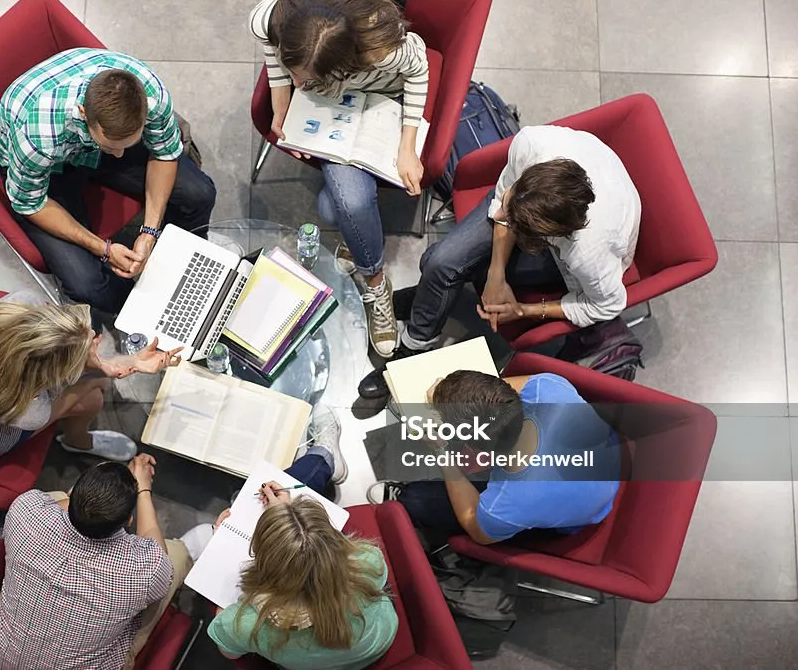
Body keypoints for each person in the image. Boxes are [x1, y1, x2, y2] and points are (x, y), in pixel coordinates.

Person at [359, 124, 642, 399]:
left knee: (448, 270)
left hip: (574, 246)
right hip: (545, 207)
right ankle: (425, 320)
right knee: (439, 262)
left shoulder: (588, 253)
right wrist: (497, 275)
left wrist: (523, 310)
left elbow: (607, 305)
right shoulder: (532, 145)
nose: (501, 218)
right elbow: (501, 205)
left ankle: (416, 339)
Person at [250, 0, 430, 357]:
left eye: (306, 77)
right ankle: (364, 246)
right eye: (295, 73)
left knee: (343, 206)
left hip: (379, 98)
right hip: (330, 108)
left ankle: (376, 283)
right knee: (344, 207)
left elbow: (419, 70)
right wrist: (281, 98)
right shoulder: (272, 18)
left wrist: (407, 146)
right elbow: (270, 43)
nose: (298, 82)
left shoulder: (384, 49)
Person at [0, 47, 217, 329]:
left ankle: (181, 262)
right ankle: (144, 309)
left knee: (200, 193)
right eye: (111, 147)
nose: (120, 157)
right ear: (84, 114)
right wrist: (105, 249)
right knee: (87, 285)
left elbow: (163, 152)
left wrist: (149, 232)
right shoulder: (38, 135)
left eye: (129, 144)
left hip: (88, 140)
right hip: (47, 168)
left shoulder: (150, 94)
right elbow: (30, 203)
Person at [0, 289, 181, 466]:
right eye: (91, 348)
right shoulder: (29, 410)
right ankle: (78, 441)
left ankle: (79, 432)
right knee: (92, 397)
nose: (96, 339)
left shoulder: (23, 302)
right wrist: (102, 369)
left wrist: (122, 362)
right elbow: (54, 394)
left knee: (95, 385)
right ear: (50, 374)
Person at [0, 454, 193, 670]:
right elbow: (157, 557)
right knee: (176, 556)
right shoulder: (142, 572)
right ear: (129, 521)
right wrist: (143, 492)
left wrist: (96, 489)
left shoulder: (25, 511)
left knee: (53, 496)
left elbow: (58, 502)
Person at [367, 370, 621, 545]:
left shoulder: (505, 504)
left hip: (582, 518)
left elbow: (476, 530)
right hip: (610, 468)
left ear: (473, 446)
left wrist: (441, 452)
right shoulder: (549, 388)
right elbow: (507, 390)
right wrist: (459, 396)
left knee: (417, 499)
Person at [206, 467, 397, 669]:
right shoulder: (368, 559)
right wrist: (288, 516)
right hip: (379, 639)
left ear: (263, 562)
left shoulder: (247, 624)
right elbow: (315, 548)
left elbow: (228, 653)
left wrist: (220, 547)